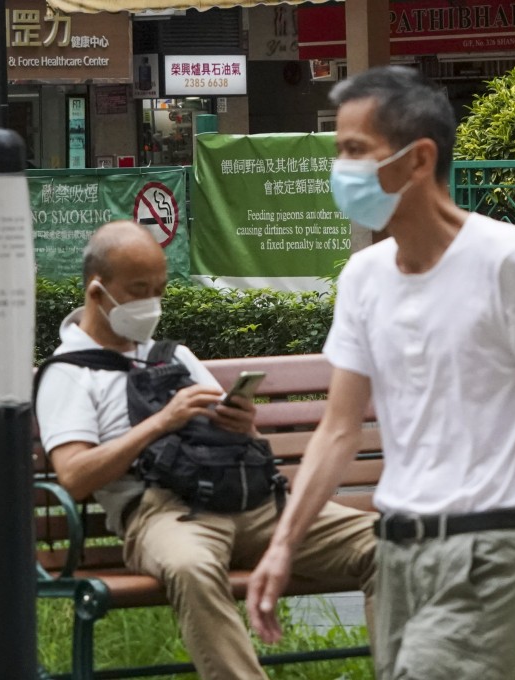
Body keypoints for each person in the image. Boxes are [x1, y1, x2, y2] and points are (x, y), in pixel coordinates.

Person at [246, 66, 515, 680]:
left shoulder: (504, 259)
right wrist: (283, 545)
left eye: (355, 149)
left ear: (418, 159)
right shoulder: (363, 278)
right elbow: (338, 429)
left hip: (484, 556)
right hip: (395, 555)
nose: (341, 168)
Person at [34, 220, 377, 679]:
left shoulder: (173, 356)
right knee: (192, 567)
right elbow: (74, 475)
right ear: (97, 292)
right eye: (139, 289)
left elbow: (247, 444)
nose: (151, 302)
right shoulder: (69, 374)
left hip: (249, 502)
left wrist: (243, 425)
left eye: (158, 288)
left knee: (390, 543)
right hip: (163, 514)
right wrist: (161, 422)